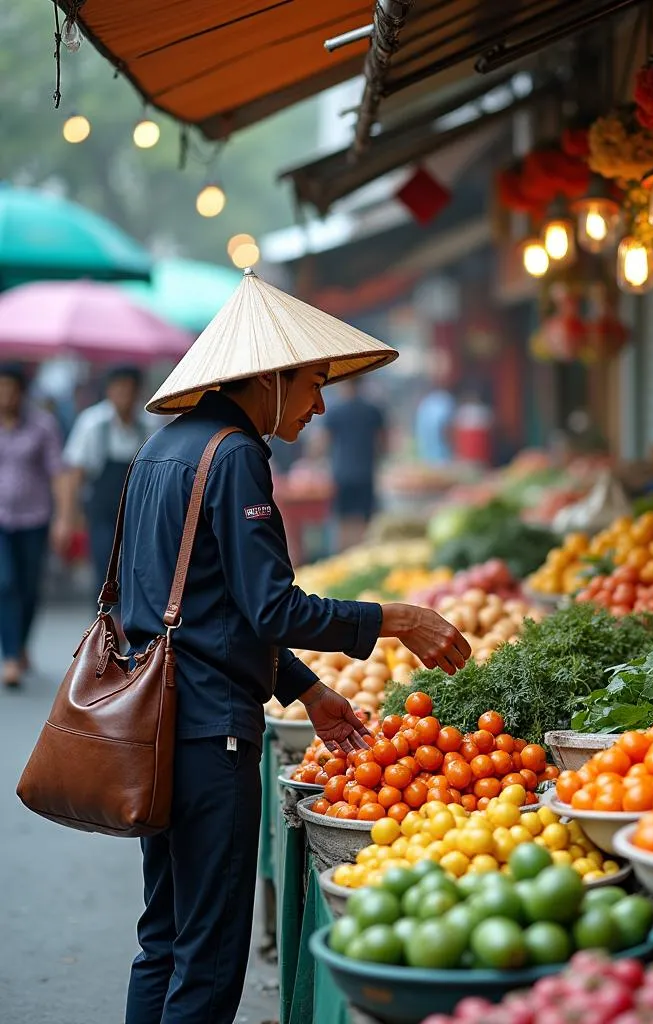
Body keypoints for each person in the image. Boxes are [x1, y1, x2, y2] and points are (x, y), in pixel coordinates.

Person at [120, 270, 470, 1024]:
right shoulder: (234, 455)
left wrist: (308, 691)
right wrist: (398, 617)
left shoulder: (163, 448)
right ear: (269, 378)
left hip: (154, 727)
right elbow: (273, 606)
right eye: (312, 382)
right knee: (208, 955)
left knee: (165, 940)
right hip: (210, 732)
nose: (319, 403)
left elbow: (204, 609)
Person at [53, 365, 150, 591]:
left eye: (130, 389)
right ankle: (104, 623)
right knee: (105, 573)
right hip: (102, 513)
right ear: (109, 391)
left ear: (138, 392)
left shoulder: (150, 423)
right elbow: (74, 473)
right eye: (119, 388)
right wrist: (68, 518)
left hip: (138, 511)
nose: (124, 394)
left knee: (137, 573)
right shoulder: (92, 423)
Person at [0, 363, 65, 688]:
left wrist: (64, 519)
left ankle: (21, 643)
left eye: (11, 389)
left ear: (22, 392)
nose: (5, 396)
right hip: (1, 520)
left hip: (34, 518)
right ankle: (10, 656)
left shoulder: (42, 425)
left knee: (28, 587)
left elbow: (58, 472)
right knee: (5, 582)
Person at [320, 378, 387, 550]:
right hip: (365, 473)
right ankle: (363, 560)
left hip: (342, 474)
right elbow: (383, 444)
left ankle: (343, 561)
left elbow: (322, 443)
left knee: (343, 523)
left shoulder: (334, 411)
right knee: (366, 524)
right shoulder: (373, 410)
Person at [414, 371, 456, 464]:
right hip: (443, 457)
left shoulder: (425, 403)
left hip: (425, 457)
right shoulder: (446, 401)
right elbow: (447, 429)